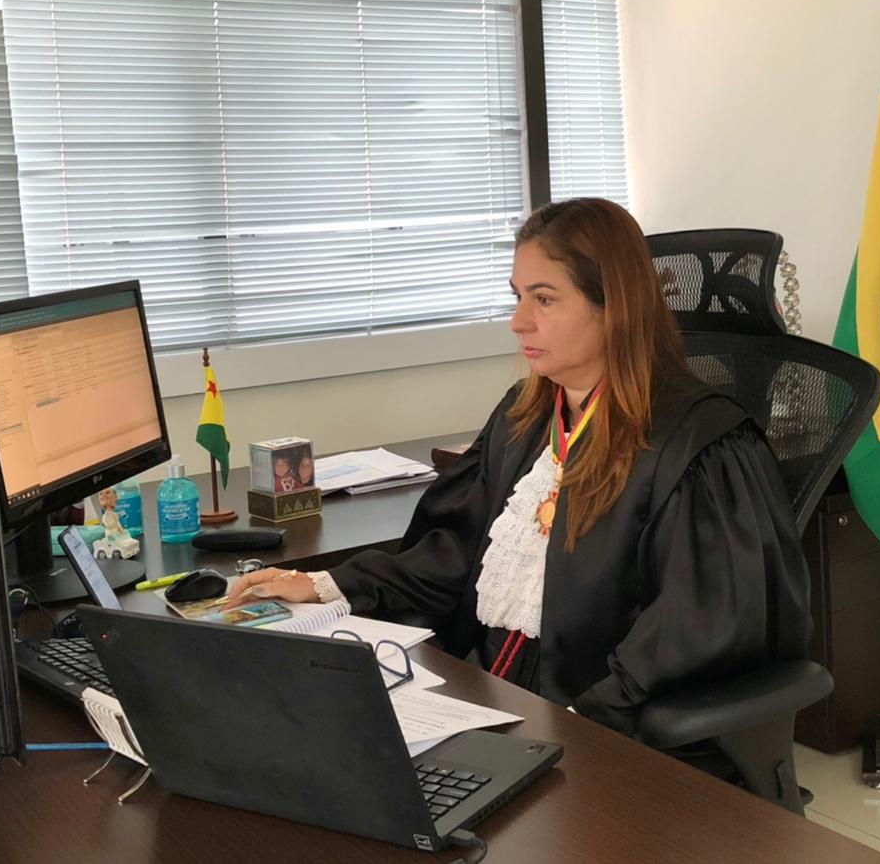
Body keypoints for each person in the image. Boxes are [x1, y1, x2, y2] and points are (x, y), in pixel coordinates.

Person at [227, 198, 811, 737]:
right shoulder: (523, 418)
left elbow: (695, 632)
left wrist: (583, 725)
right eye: (517, 296)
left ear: (615, 309)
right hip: (490, 691)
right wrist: (326, 585)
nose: (518, 321)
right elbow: (455, 555)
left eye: (545, 299)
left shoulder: (699, 446)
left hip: (609, 726)